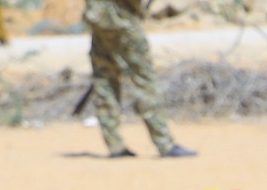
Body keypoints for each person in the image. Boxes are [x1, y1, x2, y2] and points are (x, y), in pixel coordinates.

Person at [83, 0, 193, 160]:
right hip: (123, 22)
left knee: (105, 80)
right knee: (144, 81)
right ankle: (164, 143)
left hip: (99, 21)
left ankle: (115, 145)